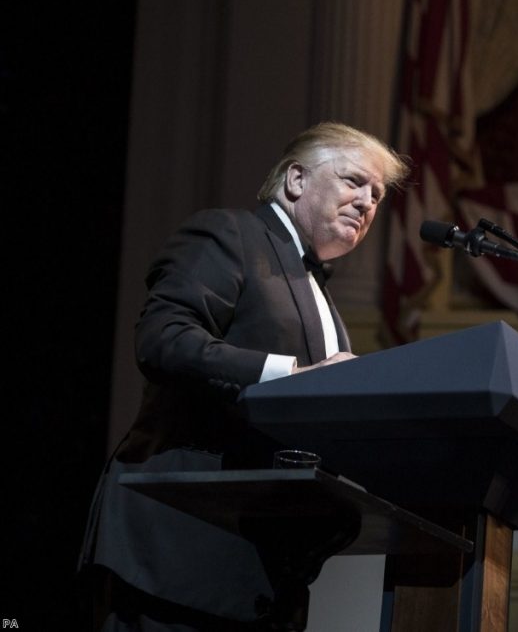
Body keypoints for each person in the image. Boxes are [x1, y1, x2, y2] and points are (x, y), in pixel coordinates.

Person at [77, 122, 410, 631]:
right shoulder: (230, 233)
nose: (367, 201)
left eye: (376, 194)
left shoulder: (320, 293)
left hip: (259, 575)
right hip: (176, 551)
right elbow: (162, 339)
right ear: (297, 180)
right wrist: (294, 375)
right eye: (352, 181)